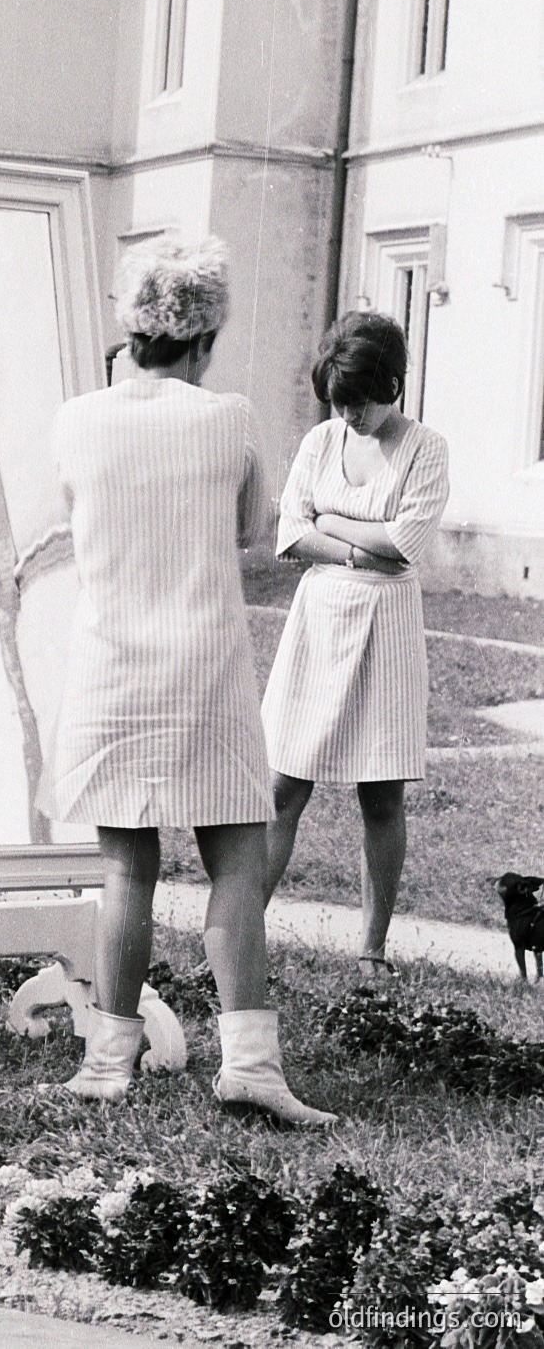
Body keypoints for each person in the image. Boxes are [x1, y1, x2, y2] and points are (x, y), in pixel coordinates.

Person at [42, 233, 334, 1125]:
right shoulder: (229, 418)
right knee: (236, 864)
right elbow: (253, 531)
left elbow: (75, 519)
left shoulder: (75, 419)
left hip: (111, 667)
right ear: (203, 338)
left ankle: (107, 1061)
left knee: (127, 867)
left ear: (131, 328)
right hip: (204, 663)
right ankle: (248, 1063)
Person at [261, 312, 450, 972]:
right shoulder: (320, 441)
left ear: (392, 383)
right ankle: (237, 934)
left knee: (381, 793)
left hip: (387, 625)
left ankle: (371, 949)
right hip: (319, 618)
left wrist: (331, 518)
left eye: (361, 401)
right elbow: (289, 533)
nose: (350, 416)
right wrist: (352, 543)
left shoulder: (425, 447)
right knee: (284, 784)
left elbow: (405, 545)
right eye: (339, 403)